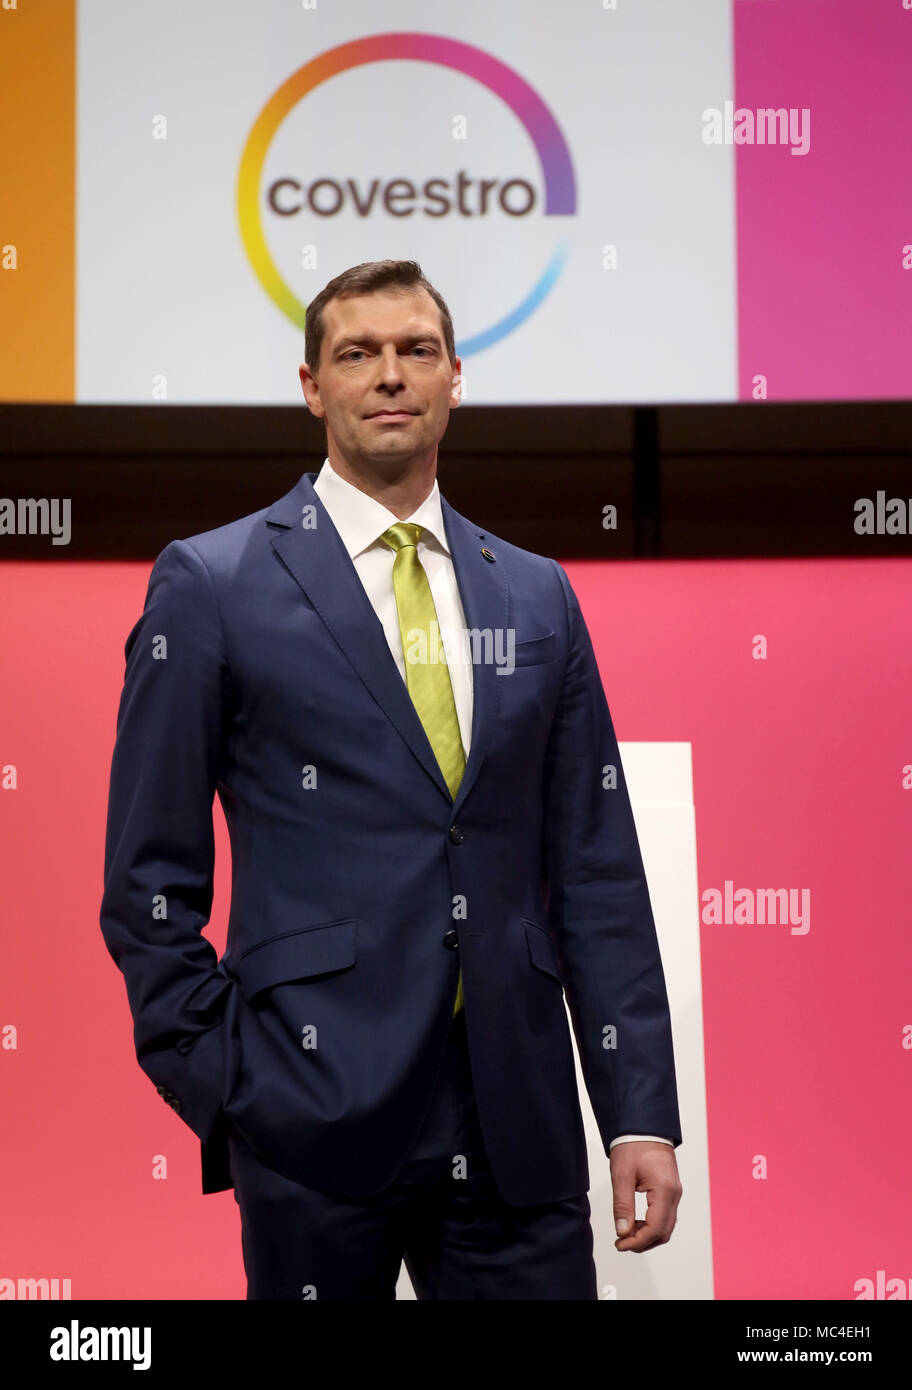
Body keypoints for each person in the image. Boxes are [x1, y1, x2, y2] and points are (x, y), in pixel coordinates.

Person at [99, 259, 683, 1300]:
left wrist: (635, 1108)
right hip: (311, 1111)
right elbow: (147, 878)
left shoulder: (538, 595)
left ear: (456, 378)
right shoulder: (212, 583)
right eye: (356, 353)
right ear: (311, 385)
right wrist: (232, 1089)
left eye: (416, 350)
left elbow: (596, 873)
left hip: (516, 1118)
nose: (389, 374)